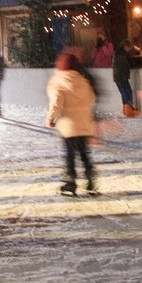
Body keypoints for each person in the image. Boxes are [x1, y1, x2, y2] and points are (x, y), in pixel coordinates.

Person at [46, 49, 98, 195]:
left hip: (69, 126)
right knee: (84, 153)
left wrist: (50, 118)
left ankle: (71, 182)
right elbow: (91, 98)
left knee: (70, 154)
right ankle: (91, 180)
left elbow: (56, 102)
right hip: (84, 123)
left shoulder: (59, 80)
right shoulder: (82, 80)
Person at [112, 39, 140, 117]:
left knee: (124, 93)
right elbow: (127, 64)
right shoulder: (122, 54)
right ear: (126, 46)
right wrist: (134, 64)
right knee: (128, 92)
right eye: (129, 48)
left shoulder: (117, 52)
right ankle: (129, 111)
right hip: (122, 76)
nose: (129, 49)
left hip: (117, 77)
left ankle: (125, 110)